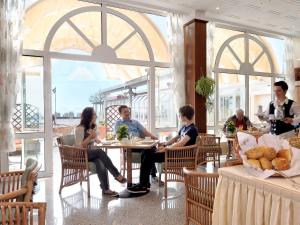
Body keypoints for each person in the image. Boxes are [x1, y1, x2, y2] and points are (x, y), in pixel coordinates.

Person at [126, 105, 198, 193]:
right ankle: (144, 183)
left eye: (179, 115)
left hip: (179, 154)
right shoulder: (184, 127)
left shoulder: (192, 129)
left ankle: (143, 185)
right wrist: (165, 145)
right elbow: (175, 138)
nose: (178, 117)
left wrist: (165, 149)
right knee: (147, 150)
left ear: (184, 116)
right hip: (173, 151)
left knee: (148, 155)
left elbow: (181, 143)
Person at [75, 107, 126, 196]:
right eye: (94, 114)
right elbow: (79, 146)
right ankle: (117, 175)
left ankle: (105, 189)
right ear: (89, 116)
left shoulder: (92, 128)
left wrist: (96, 140)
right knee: (99, 152)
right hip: (80, 154)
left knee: (100, 162)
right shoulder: (80, 128)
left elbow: (94, 141)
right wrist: (90, 137)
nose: (96, 116)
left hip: (89, 153)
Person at [114, 105, 160, 182]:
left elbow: (145, 132)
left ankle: (151, 175)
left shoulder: (135, 122)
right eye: (125, 112)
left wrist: (154, 137)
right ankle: (150, 176)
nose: (127, 113)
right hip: (128, 146)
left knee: (151, 149)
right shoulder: (118, 123)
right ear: (120, 114)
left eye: (128, 111)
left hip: (138, 144)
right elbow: (117, 136)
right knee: (149, 151)